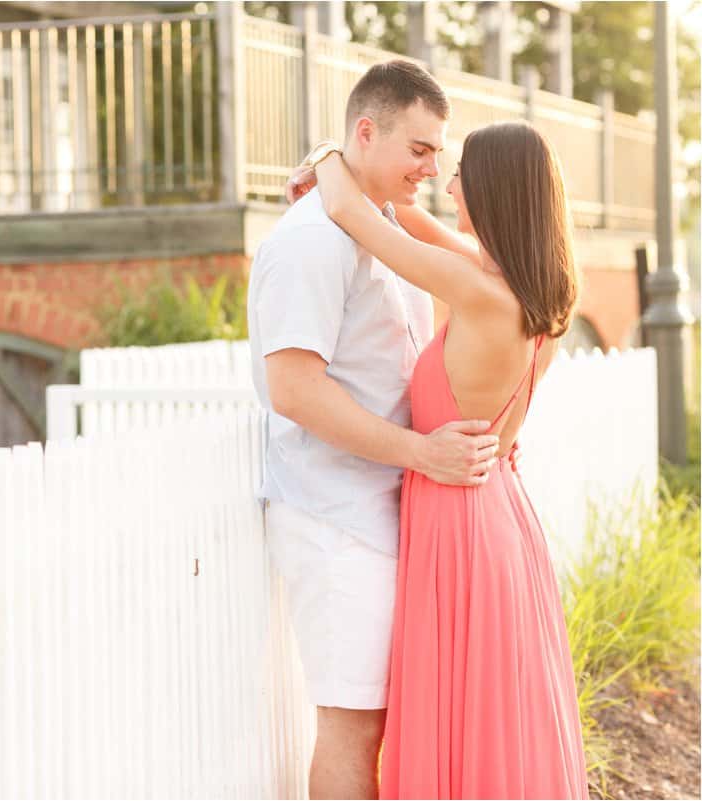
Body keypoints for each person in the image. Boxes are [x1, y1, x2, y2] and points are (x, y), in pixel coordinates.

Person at [289, 118, 589, 797]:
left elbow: (348, 212)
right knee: (494, 710)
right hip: (501, 512)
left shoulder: (478, 290)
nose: (446, 182)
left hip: (457, 516)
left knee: (460, 703)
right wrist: (392, 188)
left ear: (491, 191)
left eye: (460, 174)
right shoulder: (532, 292)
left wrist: (329, 155)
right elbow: (406, 215)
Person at [246, 60, 503, 800]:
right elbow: (294, 391)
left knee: (385, 720)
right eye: (419, 149)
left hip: (385, 513)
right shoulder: (310, 243)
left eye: (438, 152)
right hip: (334, 519)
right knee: (352, 725)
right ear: (367, 131)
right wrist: (421, 451)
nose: (433, 167)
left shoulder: (379, 223)